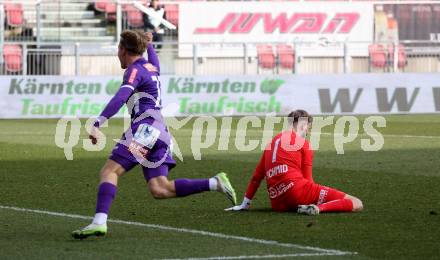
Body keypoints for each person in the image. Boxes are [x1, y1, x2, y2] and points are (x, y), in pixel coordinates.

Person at [72, 30, 236, 239]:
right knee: (160, 189)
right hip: (161, 132)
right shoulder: (152, 68)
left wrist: (98, 122)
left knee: (109, 172)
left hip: (145, 129)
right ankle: (215, 183)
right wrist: (149, 45)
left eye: (118, 49)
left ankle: (98, 223)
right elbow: (154, 61)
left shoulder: (134, 70)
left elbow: (122, 96)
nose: (117, 53)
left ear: (123, 50)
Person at [226, 110, 363, 215]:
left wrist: (245, 203)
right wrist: (316, 199)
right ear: (303, 125)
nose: (308, 131)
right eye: (308, 126)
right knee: (356, 202)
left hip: (278, 203)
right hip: (298, 194)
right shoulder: (304, 144)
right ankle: (317, 208)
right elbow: (308, 180)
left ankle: (309, 206)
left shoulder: (271, 143)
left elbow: (257, 177)